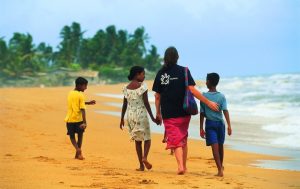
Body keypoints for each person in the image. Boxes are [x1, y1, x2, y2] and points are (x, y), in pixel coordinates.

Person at [152, 46, 219, 175]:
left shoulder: (161, 74)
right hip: (184, 111)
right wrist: (208, 102)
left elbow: (157, 96)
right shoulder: (184, 71)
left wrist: (158, 112)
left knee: (176, 140)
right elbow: (192, 90)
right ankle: (185, 166)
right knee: (182, 138)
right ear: (177, 57)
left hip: (169, 113)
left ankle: (181, 166)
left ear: (165, 58)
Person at [120, 66, 158, 171]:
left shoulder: (126, 88)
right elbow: (146, 103)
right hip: (141, 114)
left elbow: (124, 104)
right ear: (137, 74)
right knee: (147, 139)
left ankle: (141, 166)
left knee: (137, 141)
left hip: (130, 115)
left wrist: (122, 118)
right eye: (143, 74)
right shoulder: (142, 87)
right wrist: (153, 117)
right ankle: (145, 157)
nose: (144, 76)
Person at [200, 73, 232, 177]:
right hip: (220, 124)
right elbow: (225, 111)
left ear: (209, 82)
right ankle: (220, 168)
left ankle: (220, 168)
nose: (205, 82)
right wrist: (229, 125)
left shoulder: (204, 96)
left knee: (216, 147)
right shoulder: (221, 96)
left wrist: (201, 127)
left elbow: (202, 113)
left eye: (206, 80)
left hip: (211, 124)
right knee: (218, 146)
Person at [64, 77, 96, 160]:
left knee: (72, 137)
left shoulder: (70, 93)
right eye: (85, 86)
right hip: (79, 120)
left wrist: (88, 103)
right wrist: (85, 122)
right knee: (80, 136)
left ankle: (77, 153)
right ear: (79, 85)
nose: (86, 88)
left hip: (70, 119)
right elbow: (82, 109)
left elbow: (77, 103)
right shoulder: (81, 95)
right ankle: (79, 150)